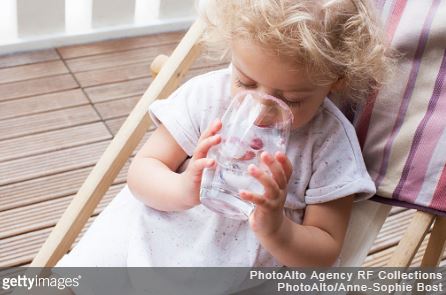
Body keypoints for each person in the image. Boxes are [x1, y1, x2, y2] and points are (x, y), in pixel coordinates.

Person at [57, 0, 392, 270]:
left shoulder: (329, 143)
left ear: (337, 81)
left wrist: (277, 229)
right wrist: (183, 186)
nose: (260, 109)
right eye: (245, 82)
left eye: (290, 100)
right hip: (152, 239)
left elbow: (325, 249)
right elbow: (143, 172)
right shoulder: (207, 97)